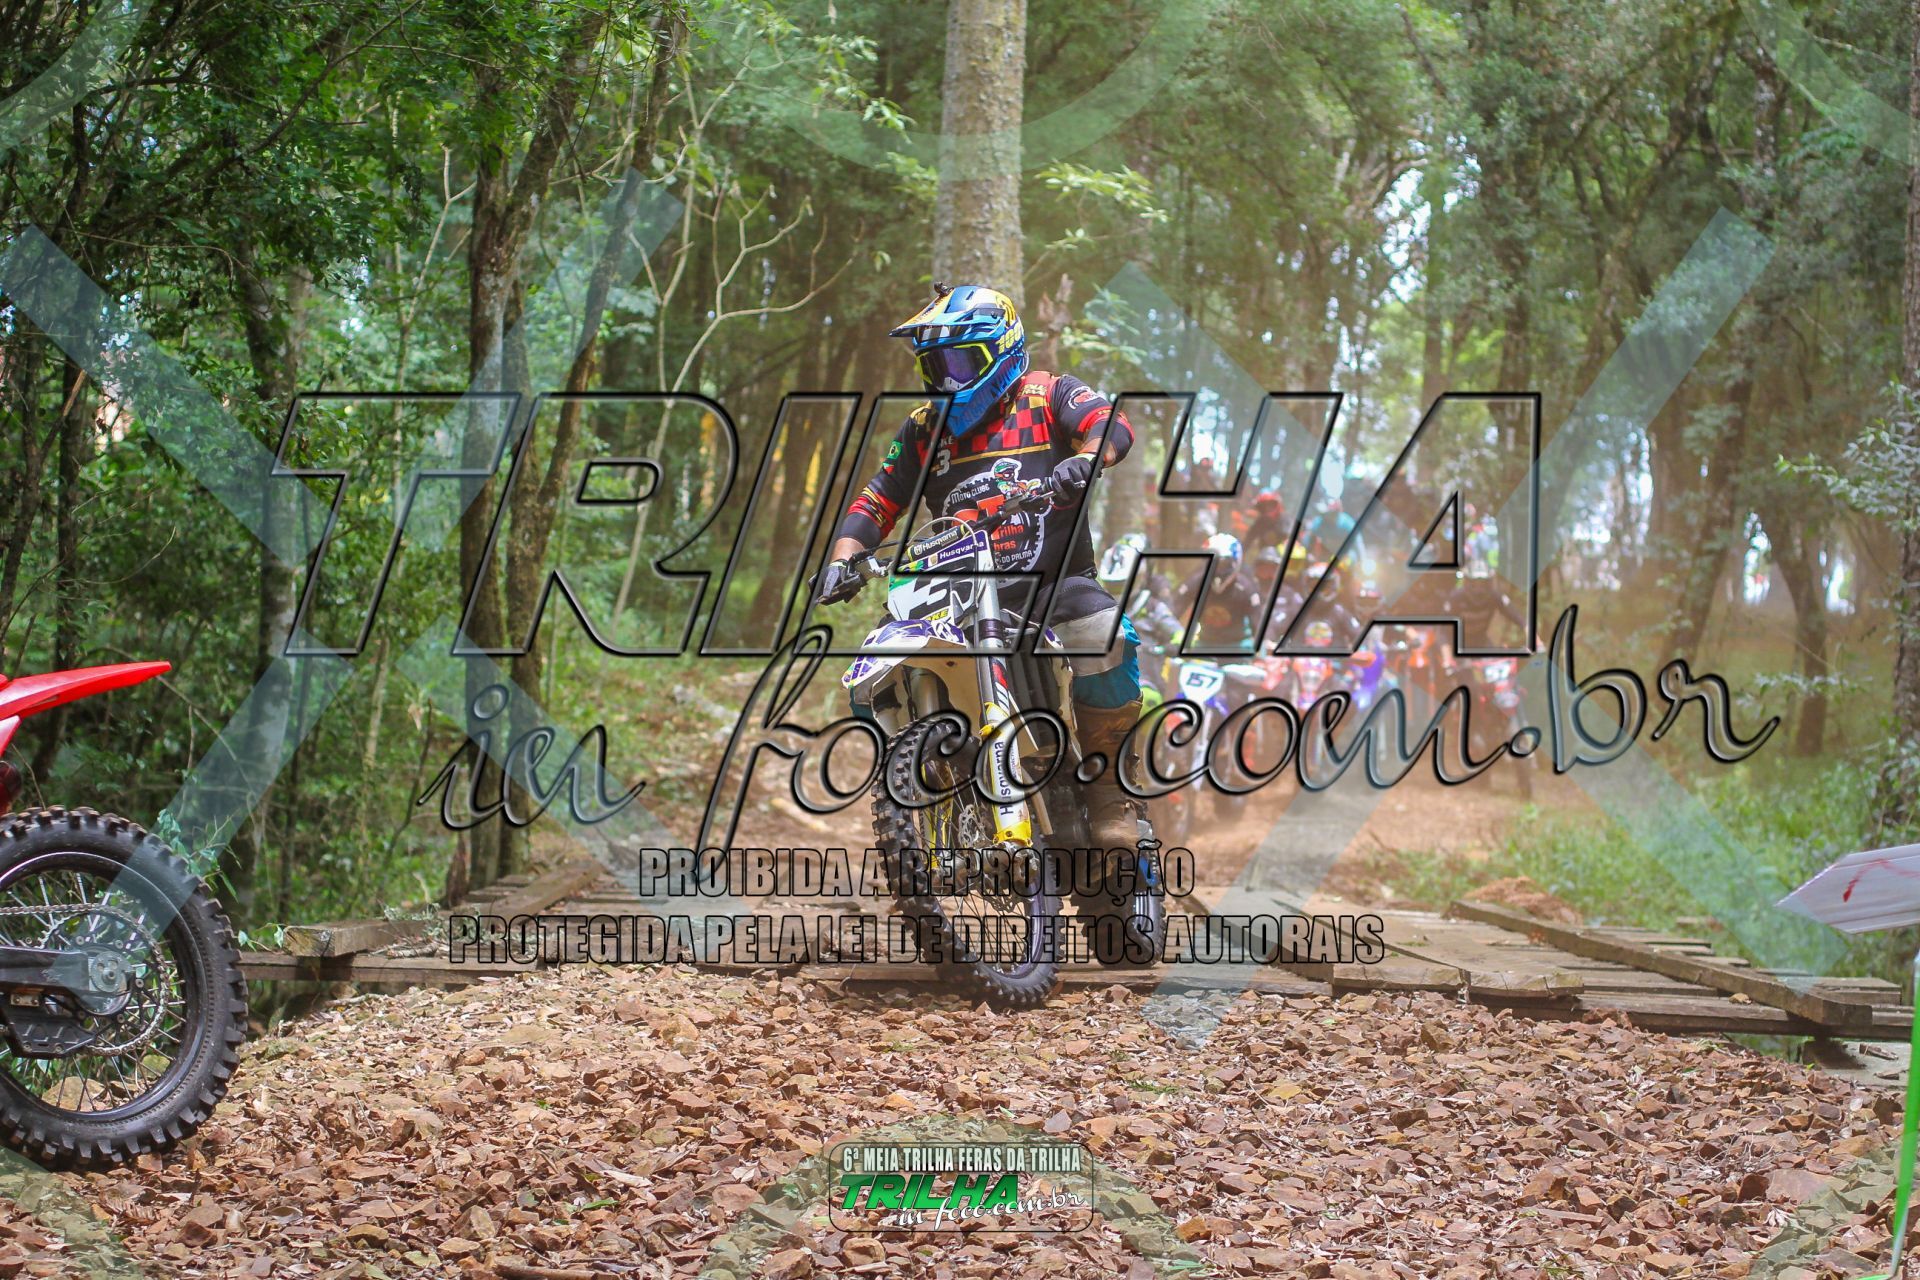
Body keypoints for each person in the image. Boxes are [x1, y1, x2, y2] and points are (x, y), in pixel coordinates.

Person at [816, 284, 1144, 848]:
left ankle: (1109, 789)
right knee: (871, 671)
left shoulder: (1047, 395)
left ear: (1002, 350)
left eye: (960, 363)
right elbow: (877, 501)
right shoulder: (924, 429)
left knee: (1102, 632)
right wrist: (842, 560)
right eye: (935, 366)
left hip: (1051, 585)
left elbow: (1109, 423)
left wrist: (1087, 460)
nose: (947, 380)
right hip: (955, 591)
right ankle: (932, 788)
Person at [1172, 533, 1265, 651]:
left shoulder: (1246, 588)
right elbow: (1173, 611)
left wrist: (1260, 649)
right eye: (1211, 563)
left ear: (1235, 562)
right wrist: (1174, 634)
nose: (1216, 569)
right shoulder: (1197, 582)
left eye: (1222, 564)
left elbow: (1257, 623)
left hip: (1237, 647)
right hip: (1204, 644)